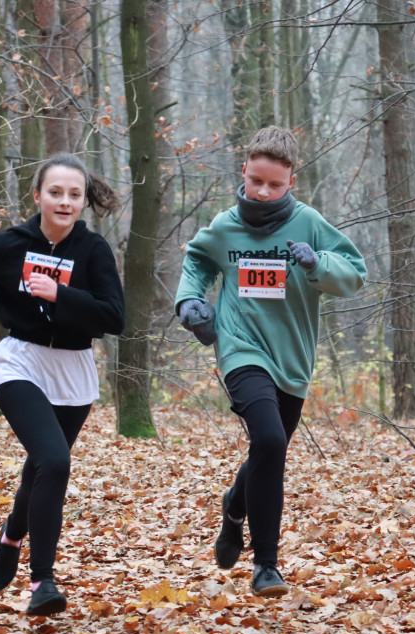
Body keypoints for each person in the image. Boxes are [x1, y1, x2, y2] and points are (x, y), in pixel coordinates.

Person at [174, 126, 367, 597]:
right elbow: (197, 259)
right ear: (244, 172)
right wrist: (189, 302)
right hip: (240, 347)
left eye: (274, 185)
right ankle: (266, 565)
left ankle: (234, 507)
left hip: (293, 357)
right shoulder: (224, 226)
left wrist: (317, 262)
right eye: (256, 180)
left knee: (269, 447)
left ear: (291, 183)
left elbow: (354, 276)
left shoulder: (310, 223)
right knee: (268, 438)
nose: (263, 191)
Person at [0, 153, 124, 616]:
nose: (65, 201)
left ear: (83, 202)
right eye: (55, 192)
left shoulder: (93, 251)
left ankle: (11, 536)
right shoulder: (12, 243)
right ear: (37, 196)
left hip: (73, 370)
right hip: (20, 363)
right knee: (54, 460)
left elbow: (114, 316)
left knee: (41, 467)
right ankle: (42, 581)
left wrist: (63, 295)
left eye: (74, 194)